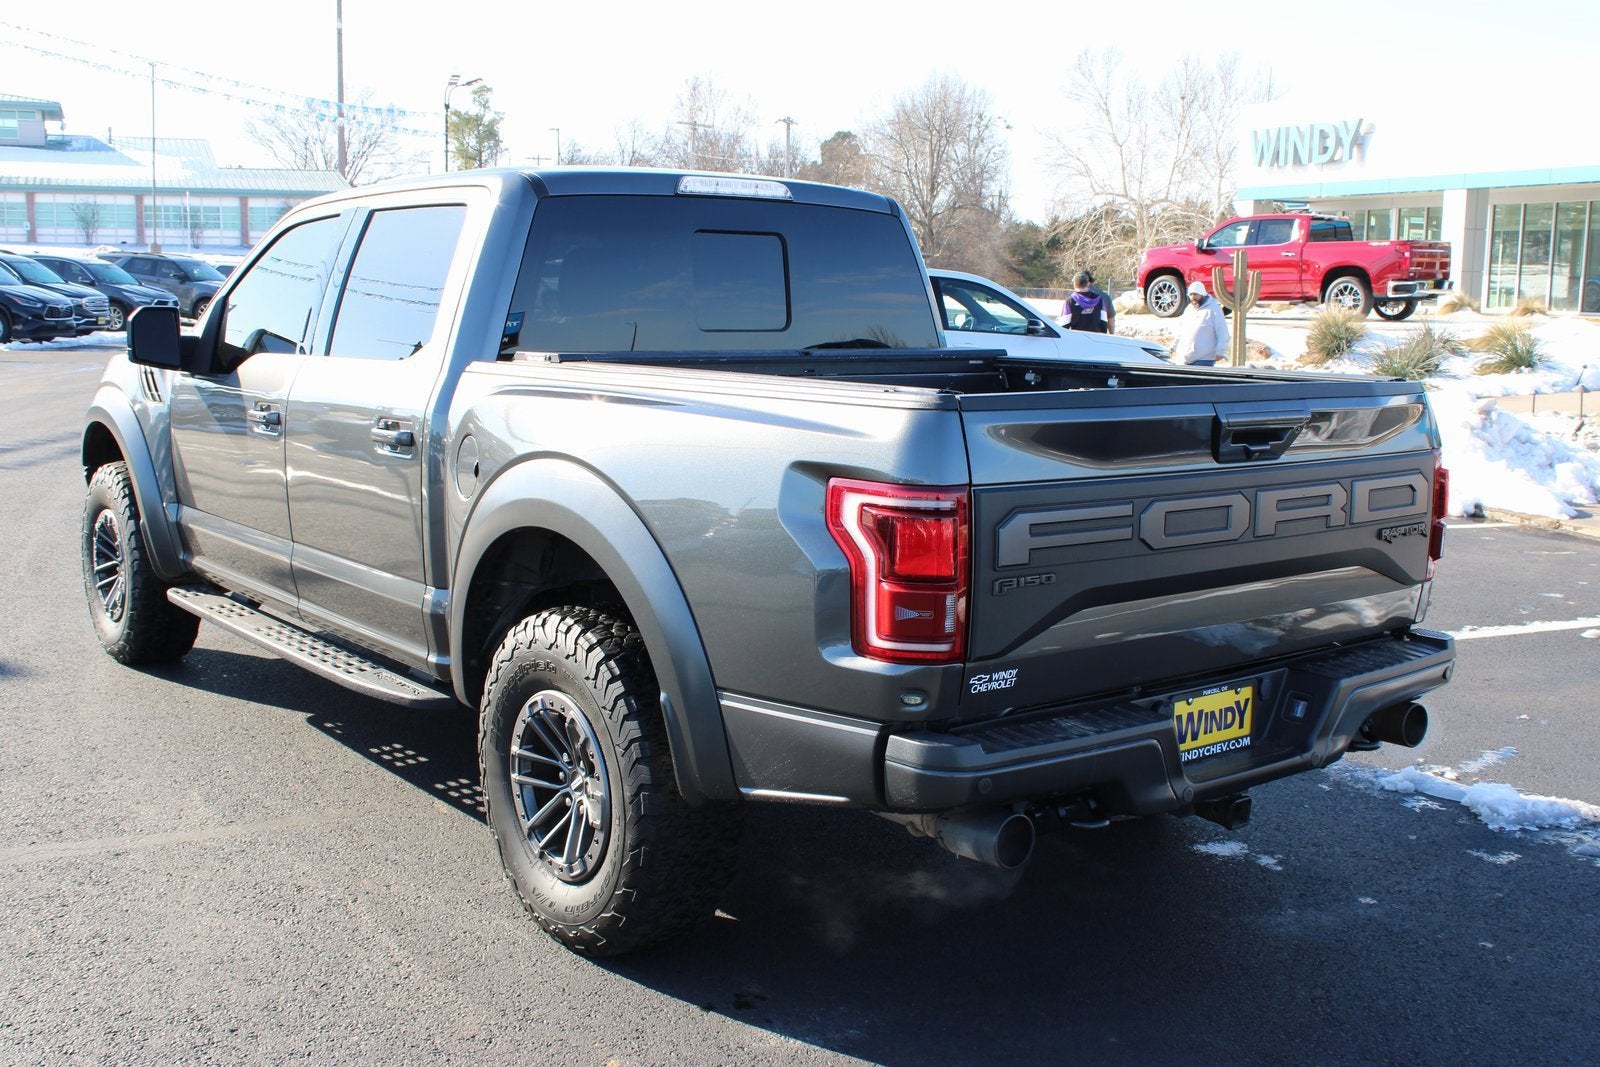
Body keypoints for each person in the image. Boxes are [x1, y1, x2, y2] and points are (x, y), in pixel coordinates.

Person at [1173, 281, 1229, 367]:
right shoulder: (1189, 309)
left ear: (1202, 294)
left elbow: (1222, 331)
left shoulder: (1213, 309)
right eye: (1190, 295)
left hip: (1204, 359)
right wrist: (1174, 346)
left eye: (1195, 294)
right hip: (1184, 359)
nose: (1193, 297)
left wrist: (1220, 351)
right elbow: (1181, 330)